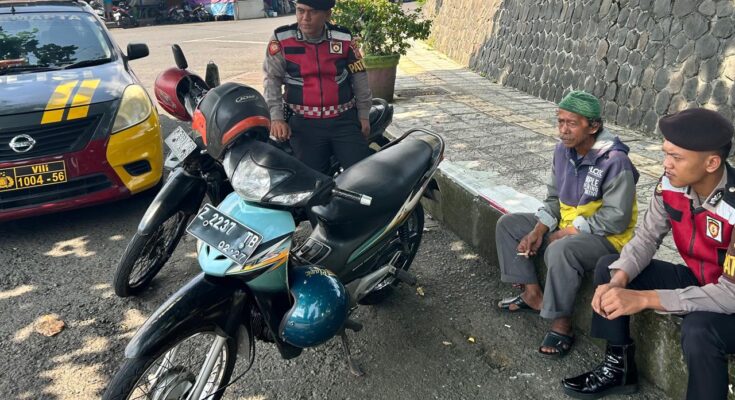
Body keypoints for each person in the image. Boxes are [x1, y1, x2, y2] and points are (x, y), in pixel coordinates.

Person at [562, 108, 735, 400]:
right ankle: (618, 368)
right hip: (702, 280)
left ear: (711, 163)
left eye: (676, 157)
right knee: (611, 268)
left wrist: (644, 299)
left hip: (730, 296)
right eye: (665, 154)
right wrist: (618, 282)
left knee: (699, 330)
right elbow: (646, 238)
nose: (666, 164)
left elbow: (730, 295)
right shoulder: (671, 185)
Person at [495, 90, 639, 358]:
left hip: (608, 238)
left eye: (571, 123)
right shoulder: (562, 152)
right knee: (509, 224)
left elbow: (616, 217)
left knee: (561, 249)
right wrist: (539, 230)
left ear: (593, 126)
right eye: (560, 121)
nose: (563, 130)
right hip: (568, 224)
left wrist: (570, 231)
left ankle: (562, 324)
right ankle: (532, 294)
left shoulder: (615, 161)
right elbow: (553, 198)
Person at [262, 0, 372, 174]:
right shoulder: (282, 39)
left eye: (313, 12)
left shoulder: (343, 38)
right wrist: (276, 118)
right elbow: (272, 79)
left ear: (327, 14)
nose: (305, 18)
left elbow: (359, 76)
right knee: (311, 182)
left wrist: (364, 114)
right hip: (303, 124)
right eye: (300, 10)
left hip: (344, 120)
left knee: (362, 176)